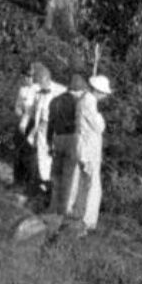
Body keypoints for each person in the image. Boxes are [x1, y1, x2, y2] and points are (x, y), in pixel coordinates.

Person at [69, 74, 111, 234]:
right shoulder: (89, 103)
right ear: (98, 91)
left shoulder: (84, 100)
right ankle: (82, 221)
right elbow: (99, 126)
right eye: (104, 93)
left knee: (81, 182)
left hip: (84, 146)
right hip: (87, 149)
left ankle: (78, 217)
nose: (105, 96)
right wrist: (101, 118)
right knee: (88, 185)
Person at [46, 74, 86, 216]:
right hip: (71, 139)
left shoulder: (55, 100)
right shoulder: (77, 103)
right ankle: (62, 210)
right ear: (79, 89)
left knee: (55, 175)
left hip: (57, 138)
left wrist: (48, 142)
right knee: (67, 177)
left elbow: (50, 123)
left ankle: (52, 206)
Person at [26, 65, 65, 197]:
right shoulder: (38, 93)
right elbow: (34, 111)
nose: (38, 85)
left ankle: (48, 190)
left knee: (49, 160)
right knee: (39, 159)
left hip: (53, 131)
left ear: (46, 78)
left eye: (39, 82)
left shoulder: (60, 91)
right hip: (40, 130)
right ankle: (38, 188)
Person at [12, 63, 43, 188]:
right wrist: (20, 112)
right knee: (18, 152)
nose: (27, 79)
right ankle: (16, 181)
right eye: (25, 76)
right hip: (22, 123)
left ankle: (29, 184)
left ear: (34, 77)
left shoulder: (38, 90)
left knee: (30, 154)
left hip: (33, 124)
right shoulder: (22, 90)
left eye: (30, 76)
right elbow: (17, 107)